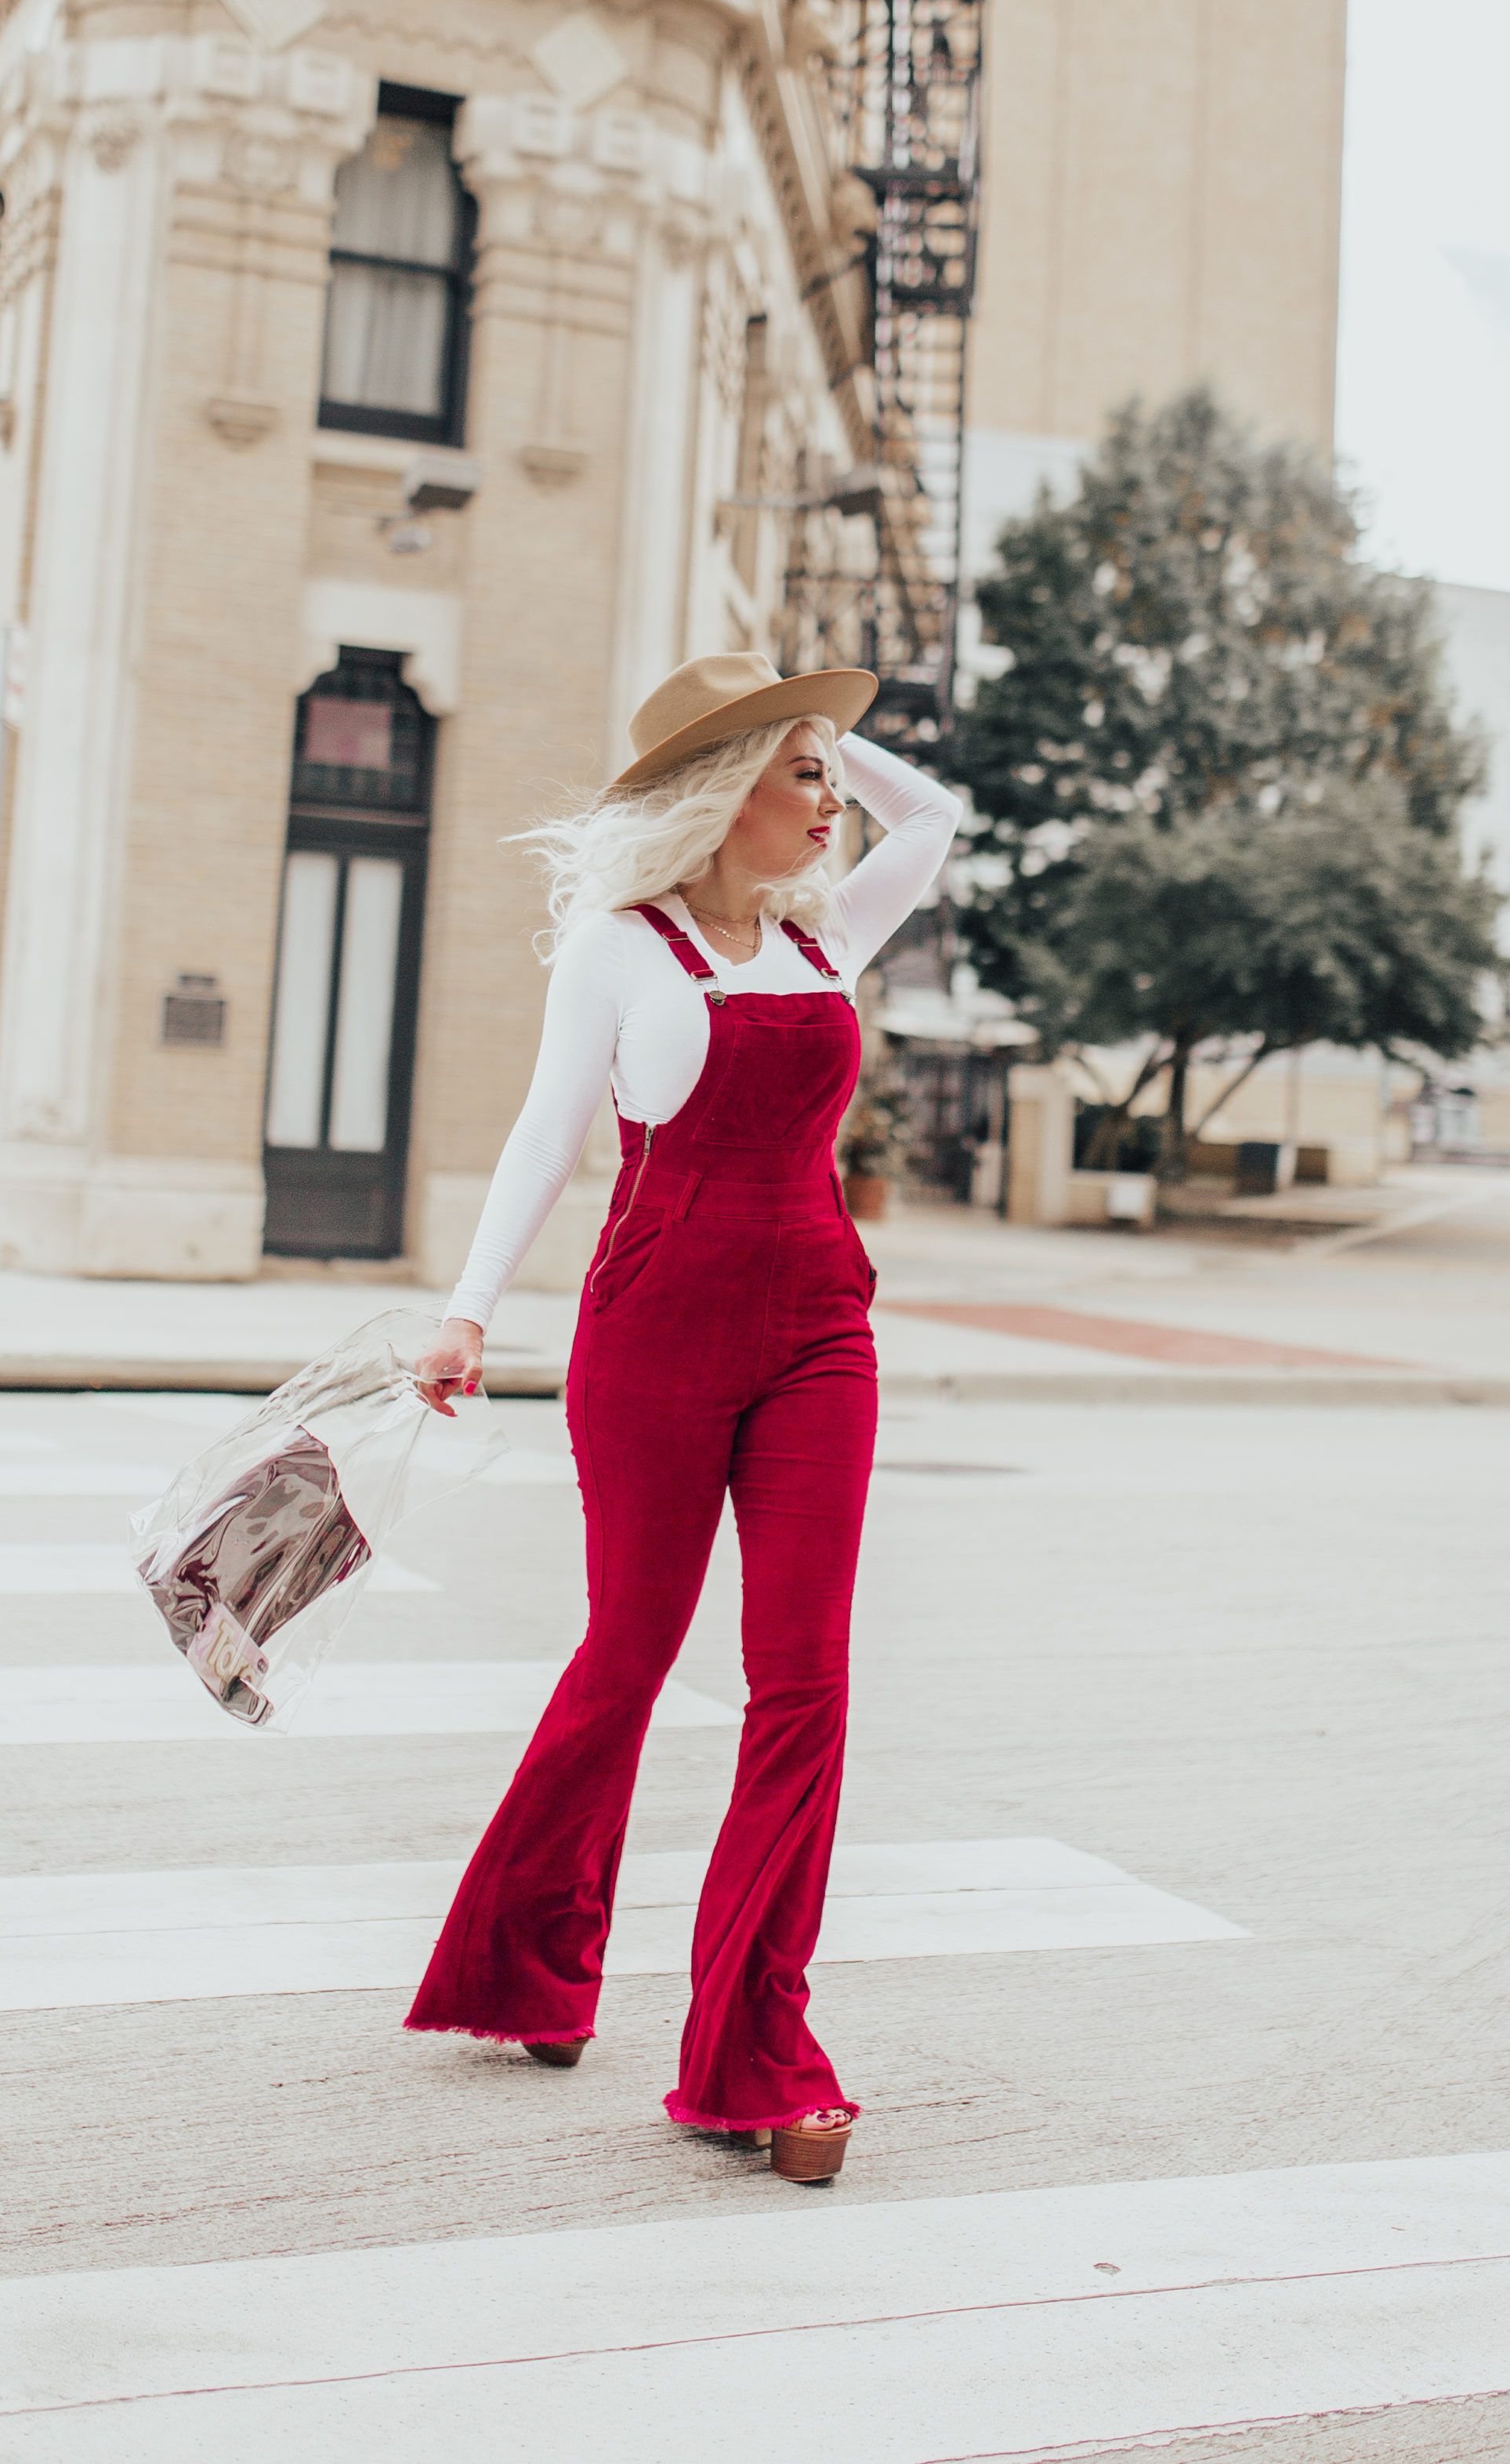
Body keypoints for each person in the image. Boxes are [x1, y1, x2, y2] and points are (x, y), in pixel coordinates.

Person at [405, 650, 961, 2182]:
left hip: (816, 1336)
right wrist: (467, 1309)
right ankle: (531, 1968)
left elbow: (941, 819)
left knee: (805, 1686)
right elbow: (542, 1132)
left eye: (833, 777)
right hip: (648, 1337)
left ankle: (755, 2054)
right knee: (630, 1655)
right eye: (802, 779)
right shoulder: (617, 951)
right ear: (722, 798)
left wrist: (825, 729)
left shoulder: (828, 931)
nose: (833, 801)